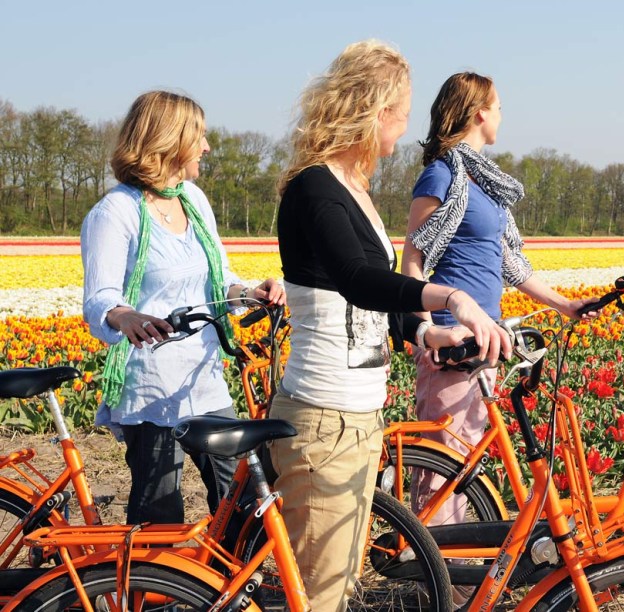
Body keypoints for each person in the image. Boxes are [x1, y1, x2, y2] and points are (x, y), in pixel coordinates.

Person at [270, 41, 511, 611]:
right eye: (400, 117)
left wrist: (428, 332)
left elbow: (377, 292)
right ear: (376, 111)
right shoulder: (314, 187)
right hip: (323, 414)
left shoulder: (355, 189)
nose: (403, 132)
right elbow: (355, 278)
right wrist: (452, 297)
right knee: (320, 593)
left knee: (341, 576)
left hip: (358, 411)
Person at [402, 72, 597, 528]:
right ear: (479, 113)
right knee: (444, 464)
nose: (503, 115)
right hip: (454, 340)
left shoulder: (482, 182)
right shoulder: (441, 174)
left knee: (467, 457)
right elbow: (411, 265)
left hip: (486, 335)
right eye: (500, 106)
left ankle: (457, 573)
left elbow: (508, 263)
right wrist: (429, 332)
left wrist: (564, 306)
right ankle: (436, 576)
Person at [81, 90, 285, 525]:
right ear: (169, 141)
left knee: (242, 504)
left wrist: (250, 292)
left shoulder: (194, 200)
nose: (208, 147)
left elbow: (220, 279)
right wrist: (126, 315)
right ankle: (152, 592)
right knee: (161, 514)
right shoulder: (115, 212)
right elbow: (100, 297)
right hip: (152, 387)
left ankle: (221, 591)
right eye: (201, 136)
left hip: (203, 379)